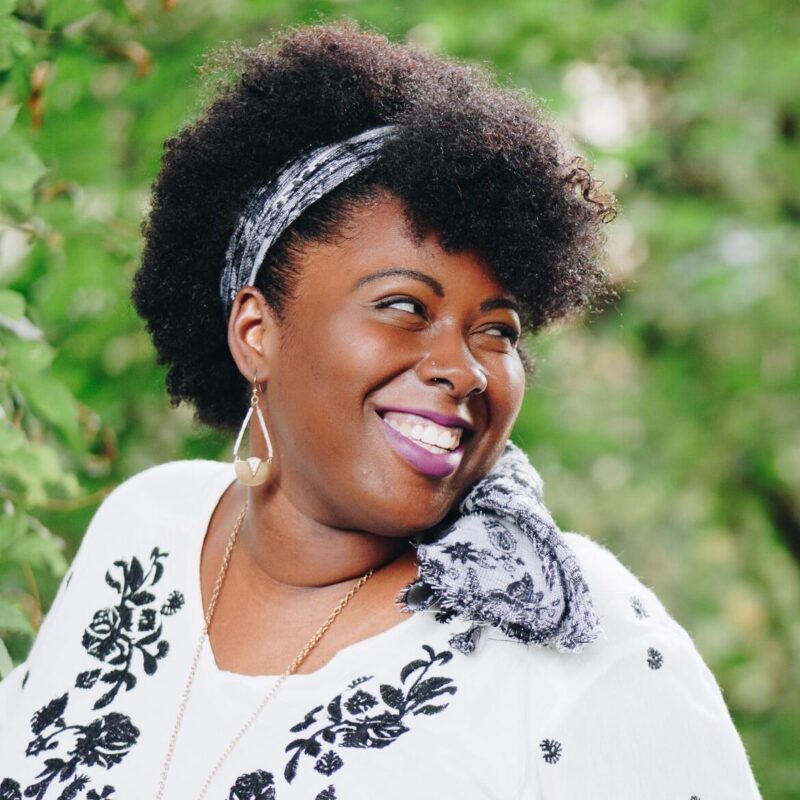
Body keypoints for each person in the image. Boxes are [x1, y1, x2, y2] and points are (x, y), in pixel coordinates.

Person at [0, 20, 761, 800]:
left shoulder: (584, 640)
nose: (463, 370)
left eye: (496, 331)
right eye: (404, 306)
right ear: (256, 332)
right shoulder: (145, 529)